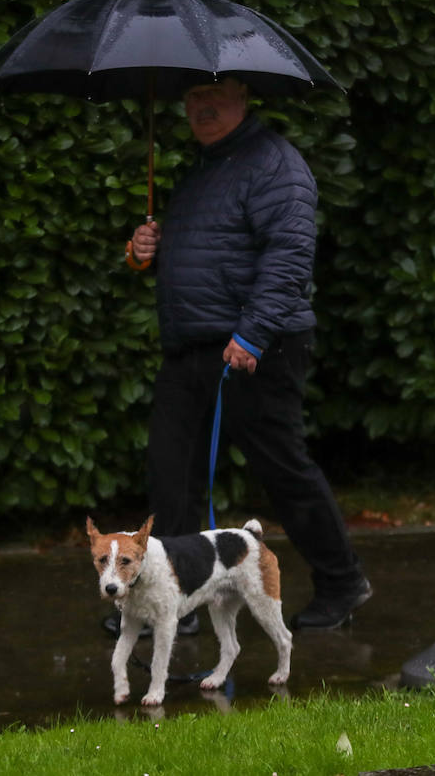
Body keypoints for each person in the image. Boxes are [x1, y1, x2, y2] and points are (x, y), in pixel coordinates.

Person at [109, 76, 371, 635]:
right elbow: (209, 253)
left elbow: (290, 255)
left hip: (258, 347)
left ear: (244, 98)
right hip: (193, 347)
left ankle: (342, 582)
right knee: (169, 474)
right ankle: (171, 604)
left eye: (217, 95)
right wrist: (145, 251)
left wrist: (252, 335)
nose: (202, 106)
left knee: (283, 471)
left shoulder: (274, 163)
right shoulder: (201, 167)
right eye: (194, 97)